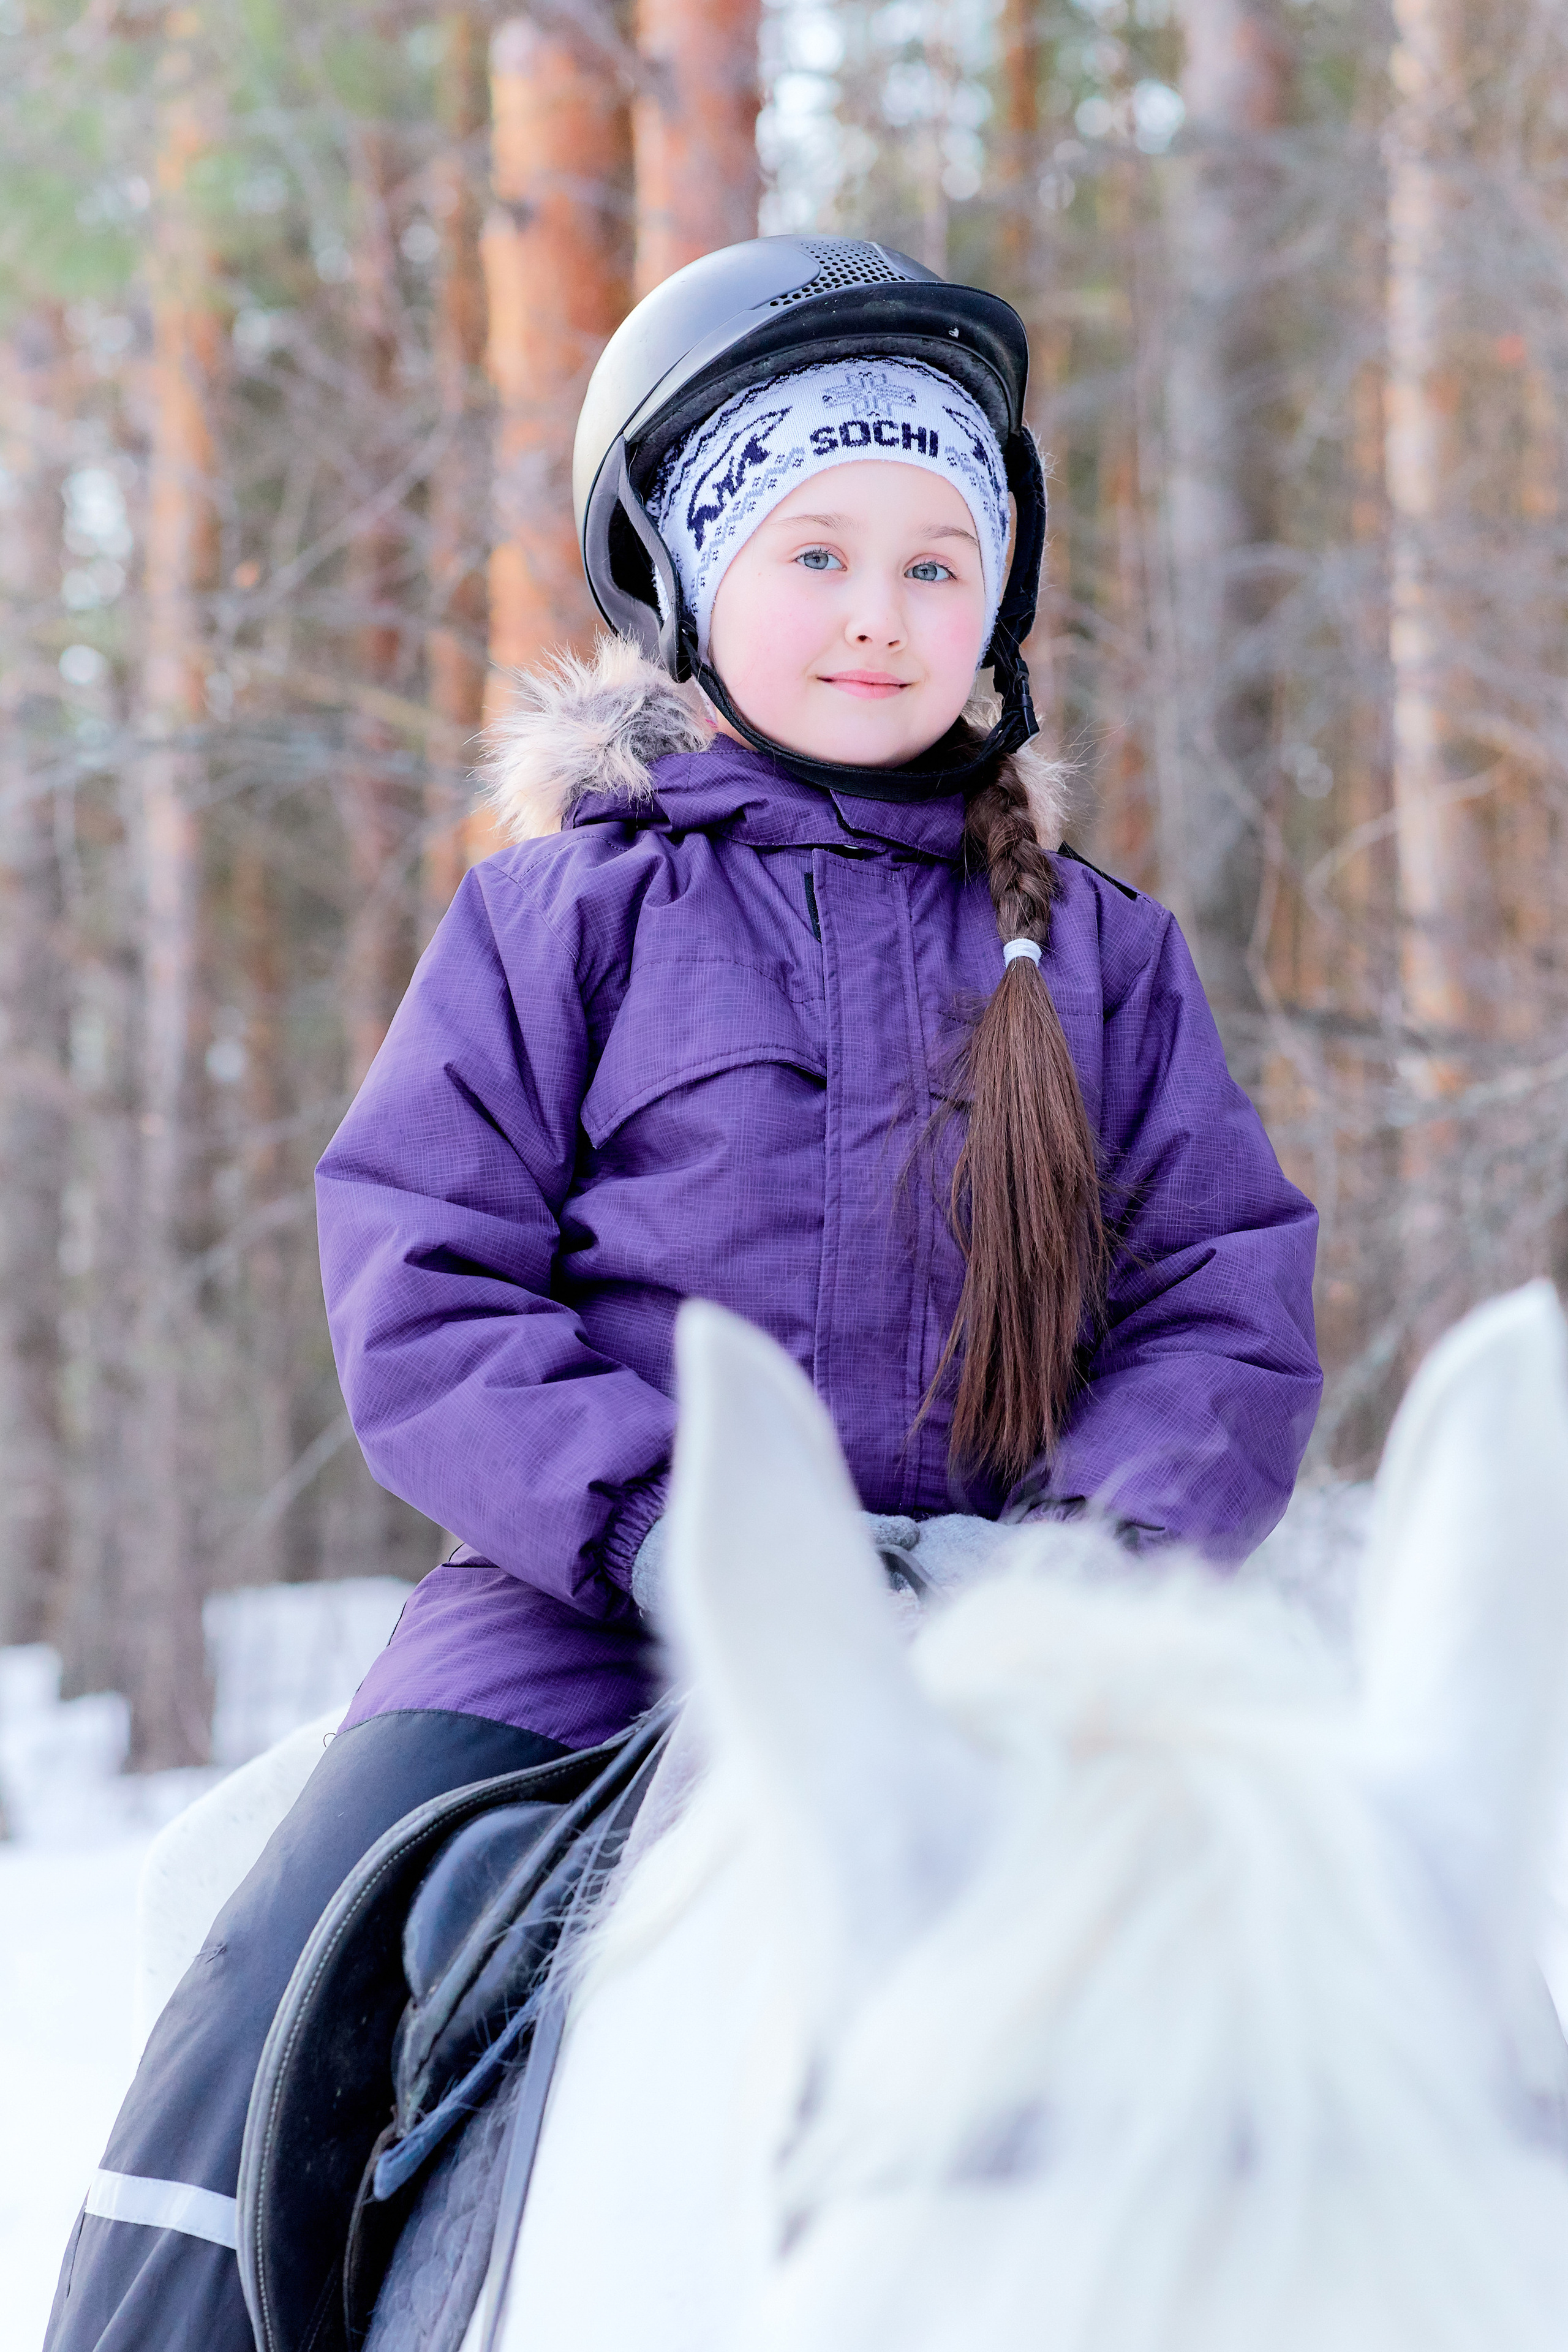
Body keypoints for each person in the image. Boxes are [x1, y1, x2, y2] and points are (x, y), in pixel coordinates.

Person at [45, 236, 1321, 2350]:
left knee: (1350, 1938)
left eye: (938, 565)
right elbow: (425, 1275)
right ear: (696, 584)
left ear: (996, 607)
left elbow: (1223, 1295)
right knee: (283, 1985)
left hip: (1021, 1634)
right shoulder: (562, 919)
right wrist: (659, 1530)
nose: (879, 612)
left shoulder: (1101, 957)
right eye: (817, 552)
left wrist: (1096, 1557)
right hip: (581, 1625)